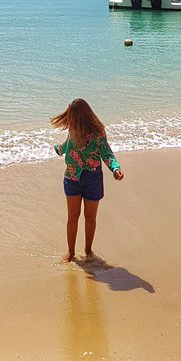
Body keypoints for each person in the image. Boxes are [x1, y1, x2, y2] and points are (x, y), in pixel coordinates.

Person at [51, 98, 123, 261]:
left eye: (71, 116)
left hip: (93, 179)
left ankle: (88, 251)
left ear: (81, 117)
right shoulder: (72, 130)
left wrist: (115, 168)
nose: (69, 120)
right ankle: (71, 252)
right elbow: (68, 144)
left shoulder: (98, 133)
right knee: (73, 217)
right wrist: (59, 149)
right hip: (72, 177)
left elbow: (107, 153)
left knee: (90, 218)